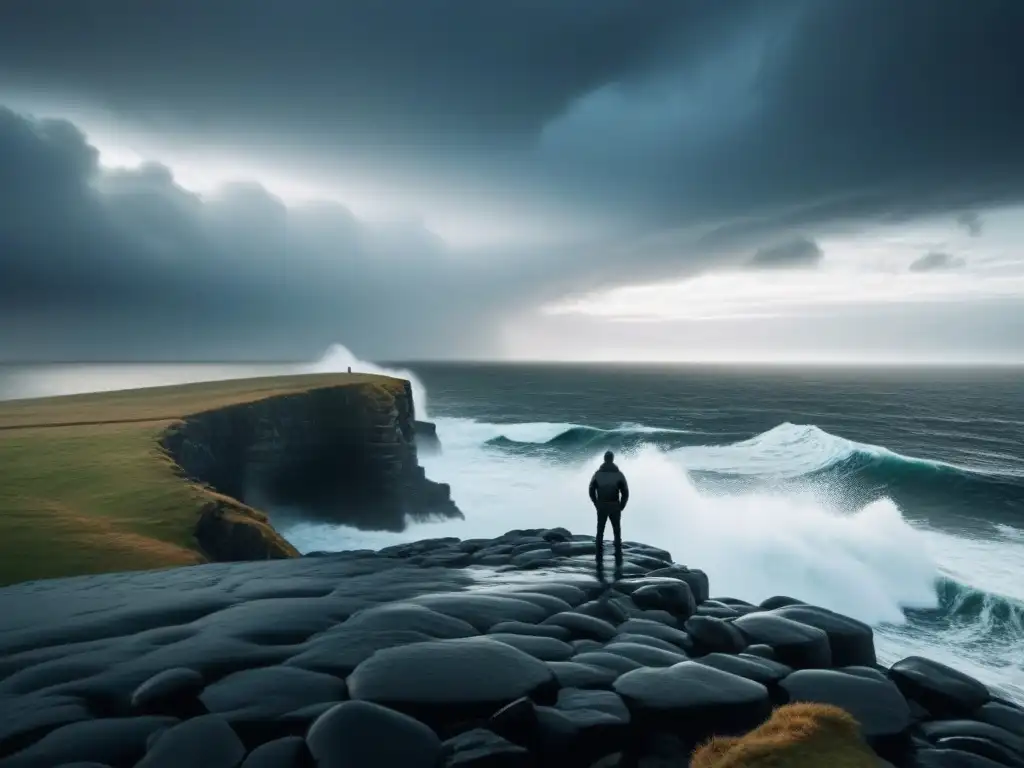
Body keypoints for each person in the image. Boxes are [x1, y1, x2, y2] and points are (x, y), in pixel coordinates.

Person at [588, 450, 629, 575]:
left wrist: (596, 503)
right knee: (617, 531)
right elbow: (626, 492)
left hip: (602, 505)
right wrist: (621, 506)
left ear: (605, 459)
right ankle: (618, 556)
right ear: (612, 459)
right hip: (614, 505)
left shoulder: (598, 474)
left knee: (600, 530)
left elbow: (591, 490)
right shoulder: (619, 474)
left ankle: (598, 556)